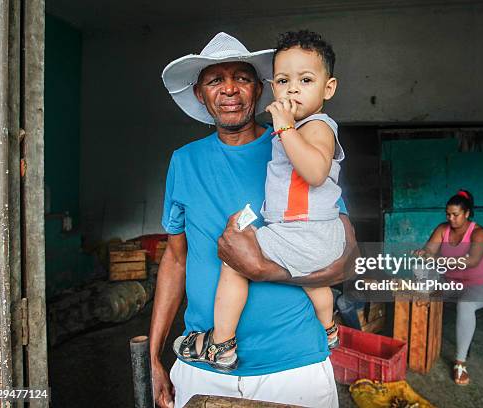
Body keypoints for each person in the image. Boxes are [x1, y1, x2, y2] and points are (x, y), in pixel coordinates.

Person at [149, 32, 357, 408]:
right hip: (204, 370)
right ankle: (220, 343)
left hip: (294, 368)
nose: (229, 89)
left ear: (259, 90)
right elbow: (175, 260)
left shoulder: (296, 145)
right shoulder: (183, 161)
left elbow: (345, 257)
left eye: (242, 78)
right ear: (200, 93)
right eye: (215, 80)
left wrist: (259, 267)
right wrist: (154, 358)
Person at [414, 190, 483, 386]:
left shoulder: (479, 233)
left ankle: (460, 363)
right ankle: (420, 346)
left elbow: (473, 261)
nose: (451, 218)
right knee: (422, 291)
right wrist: (423, 253)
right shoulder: (443, 229)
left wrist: (439, 259)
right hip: (450, 283)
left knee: (465, 305)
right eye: (448, 214)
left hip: (479, 286)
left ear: (466, 213)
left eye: (455, 214)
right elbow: (430, 250)